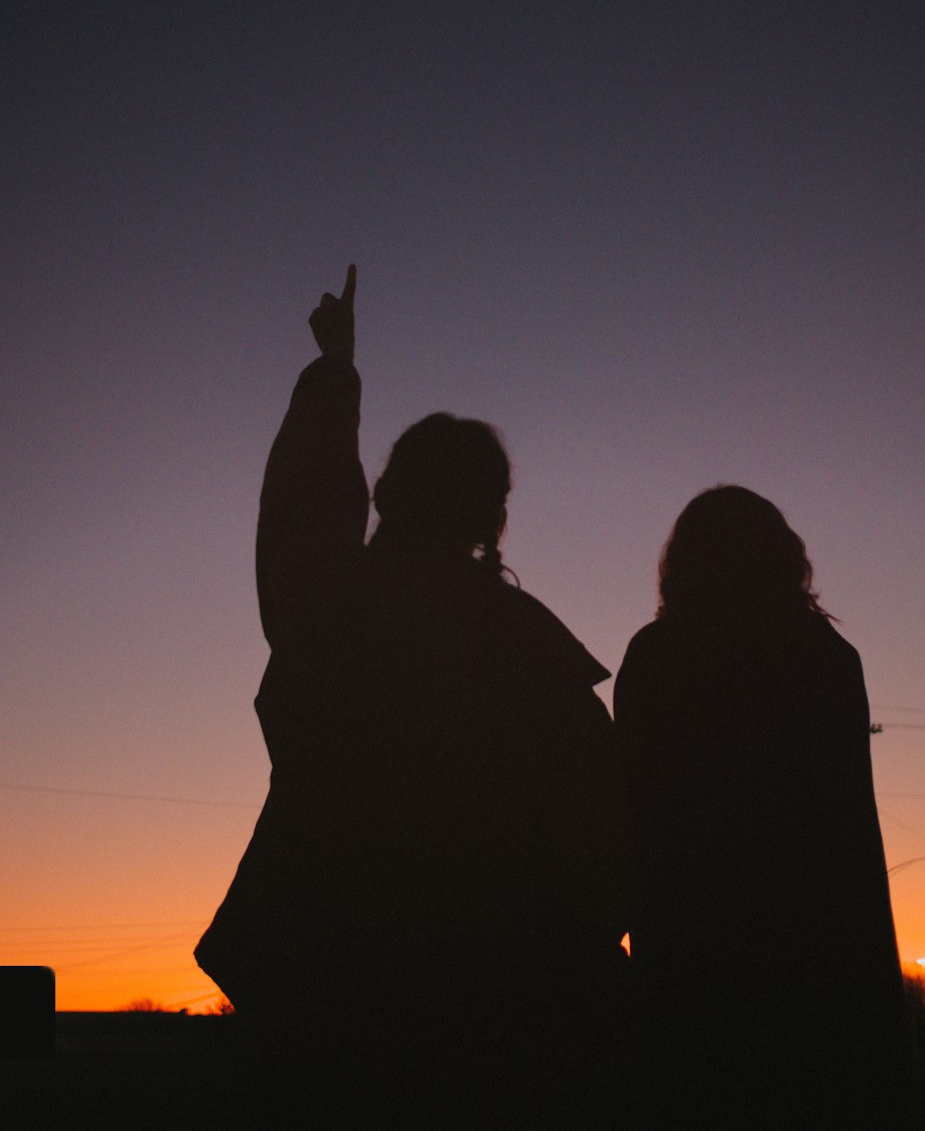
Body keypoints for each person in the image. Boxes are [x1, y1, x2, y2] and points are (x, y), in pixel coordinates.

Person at [196, 268, 629, 1129]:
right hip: (497, 1022)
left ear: (388, 494)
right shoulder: (526, 646)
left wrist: (335, 370)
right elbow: (600, 836)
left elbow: (306, 507)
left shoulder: (334, 606)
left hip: (323, 991)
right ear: (490, 516)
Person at [614, 485, 912, 1130]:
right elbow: (844, 827)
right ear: (783, 558)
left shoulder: (659, 654)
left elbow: (637, 814)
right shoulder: (826, 658)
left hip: (692, 956)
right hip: (822, 953)